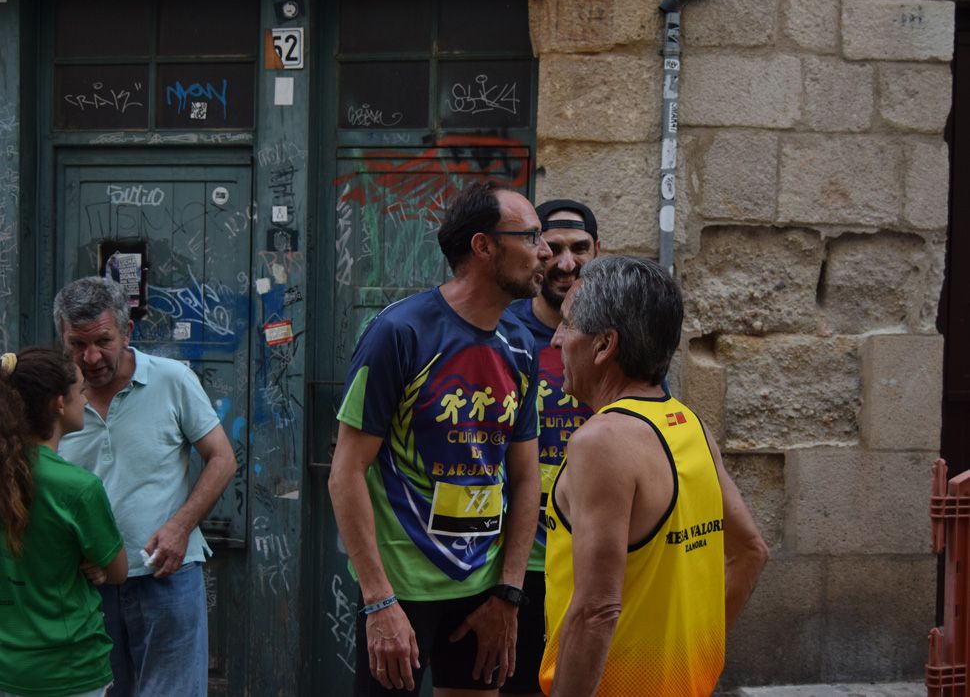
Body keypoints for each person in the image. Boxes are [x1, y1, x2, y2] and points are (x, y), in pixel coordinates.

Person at [329, 181, 549, 697]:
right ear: (483, 246)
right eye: (530, 236)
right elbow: (345, 472)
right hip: (400, 590)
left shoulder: (520, 344)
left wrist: (508, 594)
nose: (543, 251)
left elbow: (524, 477)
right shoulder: (399, 333)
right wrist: (379, 601)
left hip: (483, 589)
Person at [539, 256, 769, 696]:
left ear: (605, 345)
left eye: (567, 324)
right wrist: (691, 662)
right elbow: (751, 552)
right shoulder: (687, 423)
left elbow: (595, 611)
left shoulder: (600, 442)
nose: (555, 340)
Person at [54, 277, 238, 697]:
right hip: (85, 584)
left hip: (166, 576)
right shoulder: (55, 398)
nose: (92, 357)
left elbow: (223, 458)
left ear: (127, 331)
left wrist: (180, 527)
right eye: (77, 346)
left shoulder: (172, 379)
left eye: (103, 340)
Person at [0, 348, 127, 697]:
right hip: (64, 674)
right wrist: (94, 564)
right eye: (80, 390)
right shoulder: (78, 487)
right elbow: (119, 570)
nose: (86, 397)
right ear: (58, 404)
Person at [501, 199, 599, 697]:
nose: (566, 262)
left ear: (597, 252)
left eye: (579, 249)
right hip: (516, 565)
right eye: (554, 248)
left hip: (591, 561)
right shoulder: (503, 332)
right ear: (537, 253)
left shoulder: (620, 338)